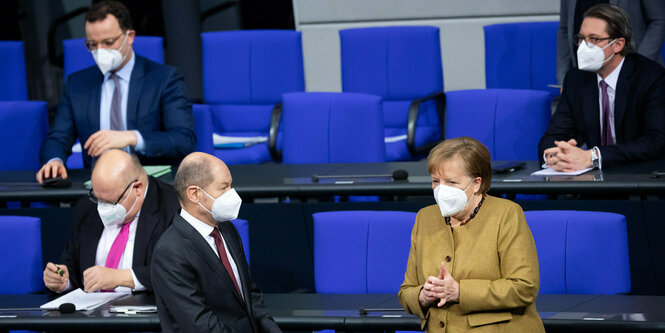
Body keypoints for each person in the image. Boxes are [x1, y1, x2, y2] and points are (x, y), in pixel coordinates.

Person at [36, 0, 196, 183]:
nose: (100, 51)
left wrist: (131, 137)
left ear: (130, 36)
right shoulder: (77, 84)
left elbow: (184, 140)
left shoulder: (164, 79)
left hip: (151, 186)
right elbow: (58, 138)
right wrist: (54, 161)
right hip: (98, 187)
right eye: (92, 45)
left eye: (108, 42)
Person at [399, 137, 544, 332]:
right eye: (436, 181)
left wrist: (460, 292)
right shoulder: (425, 217)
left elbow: (524, 288)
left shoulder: (507, 214)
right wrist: (422, 296)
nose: (441, 190)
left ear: (476, 183)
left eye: (451, 182)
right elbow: (406, 290)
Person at [151, 152, 281, 333]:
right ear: (195, 194)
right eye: (223, 188)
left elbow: (250, 296)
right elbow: (200, 324)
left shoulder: (227, 230)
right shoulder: (170, 252)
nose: (232, 194)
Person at [541, 3, 665, 171]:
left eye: (594, 39)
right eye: (581, 38)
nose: (584, 46)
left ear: (618, 44)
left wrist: (593, 156)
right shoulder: (575, 80)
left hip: (639, 181)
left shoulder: (652, 78)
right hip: (592, 184)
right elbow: (553, 136)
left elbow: (657, 141)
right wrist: (556, 155)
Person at [42, 149, 179, 293]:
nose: (101, 207)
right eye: (97, 198)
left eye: (109, 202)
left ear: (137, 188)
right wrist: (63, 279)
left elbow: (177, 270)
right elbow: (72, 263)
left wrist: (121, 277)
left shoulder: (173, 208)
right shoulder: (87, 207)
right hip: (92, 312)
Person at [557, 0, 665, 85]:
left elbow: (659, 21)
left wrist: (637, 66)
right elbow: (564, 29)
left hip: (636, 75)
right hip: (584, 75)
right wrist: (563, 77)